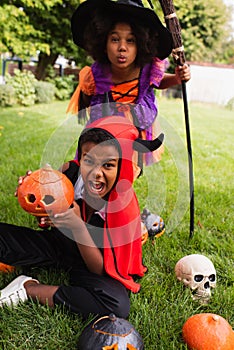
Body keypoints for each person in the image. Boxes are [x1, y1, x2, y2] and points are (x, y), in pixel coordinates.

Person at [0, 116, 163, 319]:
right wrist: (36, 190)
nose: (96, 173)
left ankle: (29, 288)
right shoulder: (71, 173)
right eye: (89, 160)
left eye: (108, 165)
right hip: (59, 246)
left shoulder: (123, 209)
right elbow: (45, 219)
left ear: (122, 166)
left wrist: (78, 227)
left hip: (92, 264)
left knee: (116, 306)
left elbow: (99, 269)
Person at [67, 0, 191, 167]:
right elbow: (87, 103)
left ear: (141, 44)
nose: (122, 47)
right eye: (115, 39)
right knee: (96, 168)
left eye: (130, 40)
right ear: (103, 43)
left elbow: (158, 81)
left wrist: (177, 78)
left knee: (126, 170)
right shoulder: (95, 76)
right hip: (103, 130)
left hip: (136, 130)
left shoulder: (147, 70)